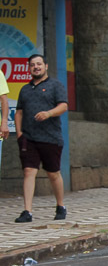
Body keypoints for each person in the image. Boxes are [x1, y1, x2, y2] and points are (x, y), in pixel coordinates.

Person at [14, 54, 68, 223]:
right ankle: (27, 211)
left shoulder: (55, 85)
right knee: (29, 171)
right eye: (32, 65)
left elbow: (64, 106)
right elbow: (19, 112)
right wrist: (19, 134)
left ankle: (60, 206)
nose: (36, 67)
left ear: (45, 66)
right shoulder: (25, 89)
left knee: (53, 174)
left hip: (51, 137)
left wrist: (48, 113)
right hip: (29, 138)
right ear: (29, 68)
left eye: (39, 64)